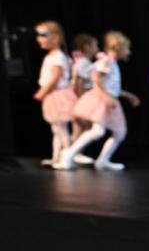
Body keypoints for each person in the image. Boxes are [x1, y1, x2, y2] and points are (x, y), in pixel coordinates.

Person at [57, 31, 140, 171]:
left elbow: (111, 86)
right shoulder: (106, 61)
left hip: (109, 99)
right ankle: (69, 153)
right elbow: (95, 78)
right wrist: (106, 97)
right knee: (98, 131)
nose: (129, 52)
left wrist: (127, 95)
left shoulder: (111, 62)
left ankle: (102, 160)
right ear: (117, 48)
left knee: (119, 133)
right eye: (127, 48)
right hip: (101, 100)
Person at [32, 21, 76, 167]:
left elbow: (55, 77)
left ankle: (68, 158)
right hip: (52, 95)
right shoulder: (51, 56)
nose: (39, 39)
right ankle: (56, 158)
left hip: (58, 95)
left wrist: (42, 92)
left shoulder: (58, 56)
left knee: (62, 129)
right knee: (56, 129)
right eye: (38, 35)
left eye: (43, 35)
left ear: (55, 37)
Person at [66, 33, 100, 166]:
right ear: (87, 47)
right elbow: (78, 83)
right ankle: (74, 153)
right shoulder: (83, 63)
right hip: (80, 99)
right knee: (80, 128)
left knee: (83, 128)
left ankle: (75, 153)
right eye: (95, 45)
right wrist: (80, 100)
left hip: (83, 98)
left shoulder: (84, 62)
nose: (97, 48)